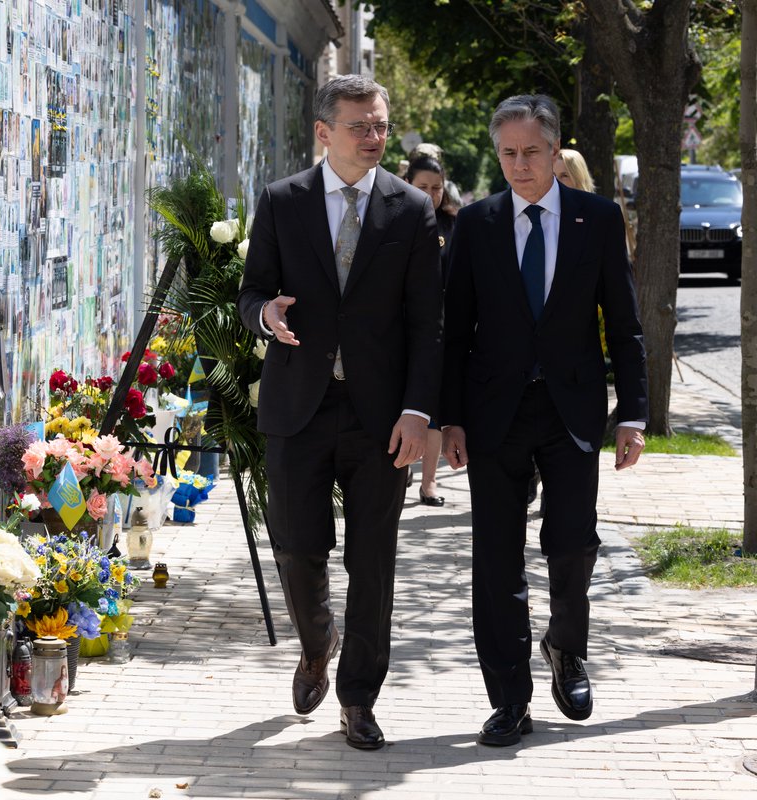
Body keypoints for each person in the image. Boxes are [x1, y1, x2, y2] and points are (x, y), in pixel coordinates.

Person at [237, 74, 443, 750]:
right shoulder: (281, 201)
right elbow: (251, 294)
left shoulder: (411, 210)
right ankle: (316, 638)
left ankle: (358, 699)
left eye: (381, 124)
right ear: (325, 132)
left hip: (381, 416)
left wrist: (419, 411)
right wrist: (266, 315)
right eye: (360, 125)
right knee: (298, 551)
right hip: (299, 405)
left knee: (373, 561)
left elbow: (426, 323)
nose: (375, 136)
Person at [440, 95, 647, 747]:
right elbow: (454, 331)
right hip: (493, 411)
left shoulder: (597, 218)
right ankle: (509, 698)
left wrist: (633, 412)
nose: (520, 164)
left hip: (572, 409)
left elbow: (624, 321)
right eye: (508, 153)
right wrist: (448, 418)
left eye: (532, 152)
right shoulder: (476, 225)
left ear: (556, 153)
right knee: (496, 560)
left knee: (572, 543)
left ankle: (567, 645)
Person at [403, 153, 458, 508]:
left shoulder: (453, 224)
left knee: (434, 408)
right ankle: (401, 468)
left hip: (442, 327)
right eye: (423, 187)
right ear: (408, 184)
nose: (431, 194)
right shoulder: (395, 218)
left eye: (436, 188)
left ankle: (430, 481)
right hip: (400, 327)